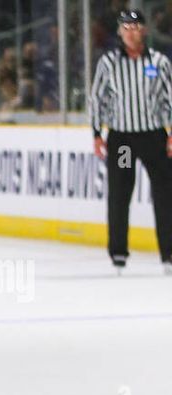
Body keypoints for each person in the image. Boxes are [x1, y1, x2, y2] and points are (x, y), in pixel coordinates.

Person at [90, 9, 172, 273]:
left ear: (144, 30)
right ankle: (118, 253)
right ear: (119, 32)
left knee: (164, 195)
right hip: (122, 137)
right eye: (126, 27)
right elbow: (96, 99)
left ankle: (169, 253)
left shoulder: (159, 62)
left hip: (153, 135)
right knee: (119, 194)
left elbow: (170, 99)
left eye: (135, 26)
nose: (131, 32)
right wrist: (96, 134)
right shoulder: (109, 62)